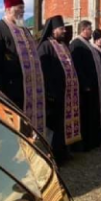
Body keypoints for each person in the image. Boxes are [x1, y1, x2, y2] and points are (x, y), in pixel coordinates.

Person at [0, 0, 46, 134]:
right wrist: (0, 93)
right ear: (7, 9)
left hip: (29, 92)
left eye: (23, 10)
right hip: (10, 91)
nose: (21, 13)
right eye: (18, 9)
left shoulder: (25, 31)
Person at [37, 15, 81, 164]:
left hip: (67, 94)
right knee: (54, 126)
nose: (64, 31)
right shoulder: (45, 46)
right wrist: (49, 92)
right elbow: (44, 71)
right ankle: (54, 155)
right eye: (61, 28)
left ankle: (64, 151)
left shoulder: (64, 46)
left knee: (64, 123)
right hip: (53, 94)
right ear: (53, 30)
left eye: (64, 28)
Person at [69, 21, 101, 150]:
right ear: (83, 29)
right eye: (90, 29)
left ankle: (93, 139)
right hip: (85, 88)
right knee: (86, 115)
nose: (91, 32)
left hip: (93, 86)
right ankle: (86, 142)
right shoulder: (76, 44)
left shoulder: (87, 44)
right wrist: (85, 84)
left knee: (92, 114)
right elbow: (77, 67)